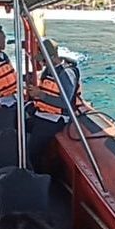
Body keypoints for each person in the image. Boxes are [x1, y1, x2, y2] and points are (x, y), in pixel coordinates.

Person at [26, 39, 80, 169]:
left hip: (57, 118)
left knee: (32, 150)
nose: (41, 63)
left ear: (51, 57)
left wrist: (41, 95)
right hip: (43, 113)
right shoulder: (49, 70)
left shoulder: (66, 73)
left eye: (43, 60)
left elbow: (65, 103)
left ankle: (40, 176)